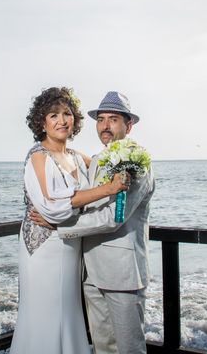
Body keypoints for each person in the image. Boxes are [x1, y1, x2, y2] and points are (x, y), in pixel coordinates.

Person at [10, 87, 130, 354]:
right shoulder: (38, 156)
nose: (62, 121)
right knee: (45, 313)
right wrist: (108, 189)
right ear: (42, 121)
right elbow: (53, 207)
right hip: (42, 247)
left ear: (75, 120)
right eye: (53, 115)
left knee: (69, 311)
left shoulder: (79, 157)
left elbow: (107, 165)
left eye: (67, 114)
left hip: (72, 244)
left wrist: (128, 157)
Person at [33, 91, 155, 354]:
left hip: (122, 275)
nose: (105, 126)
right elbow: (84, 199)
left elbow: (114, 217)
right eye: (101, 120)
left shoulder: (137, 162)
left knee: (129, 349)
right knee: (102, 348)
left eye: (113, 119)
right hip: (92, 272)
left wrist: (56, 225)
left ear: (128, 125)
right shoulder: (97, 160)